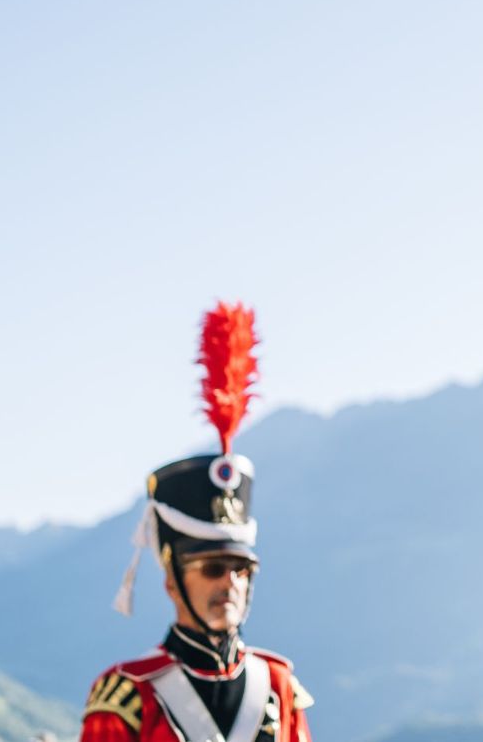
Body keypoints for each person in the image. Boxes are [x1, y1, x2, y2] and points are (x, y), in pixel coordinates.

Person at [81, 302, 313, 742]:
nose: (230, 582)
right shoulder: (128, 696)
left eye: (241, 570)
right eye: (212, 568)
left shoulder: (279, 688)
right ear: (171, 580)